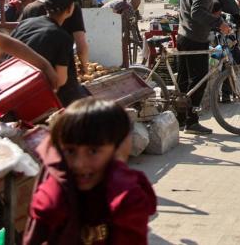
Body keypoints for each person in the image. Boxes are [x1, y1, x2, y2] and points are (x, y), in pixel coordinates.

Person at [24, 98, 157, 244]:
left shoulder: (121, 192)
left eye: (93, 151)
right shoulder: (54, 194)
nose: (79, 164)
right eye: (70, 151)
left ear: (118, 148)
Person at [175, 0, 233, 135]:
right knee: (198, 79)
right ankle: (191, 121)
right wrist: (219, 24)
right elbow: (198, 13)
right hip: (195, 37)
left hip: (182, 35)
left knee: (184, 79)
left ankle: (180, 118)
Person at [11, 0, 89, 106]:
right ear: (70, 9)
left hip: (13, 84)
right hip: (38, 93)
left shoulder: (25, 23)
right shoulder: (63, 38)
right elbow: (60, 81)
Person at [21, 0, 91, 68]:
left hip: (32, 71)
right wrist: (85, 67)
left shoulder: (30, 8)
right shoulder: (70, 6)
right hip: (61, 72)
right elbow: (81, 47)